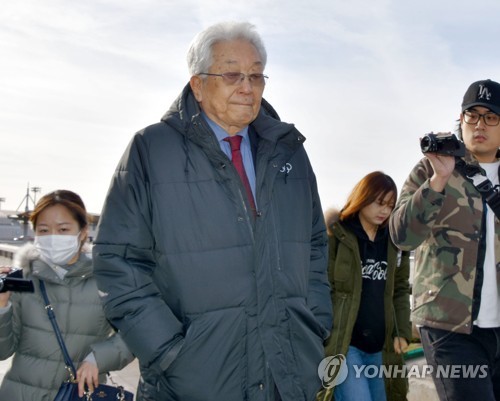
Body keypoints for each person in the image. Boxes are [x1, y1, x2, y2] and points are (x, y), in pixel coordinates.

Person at [92, 21, 332, 401]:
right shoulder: (151, 150)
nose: (247, 86)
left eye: (256, 76)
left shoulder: (289, 153)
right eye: (233, 74)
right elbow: (118, 262)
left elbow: (316, 246)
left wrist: (314, 325)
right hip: (193, 381)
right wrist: (170, 350)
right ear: (198, 84)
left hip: (286, 376)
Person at [389, 79, 500, 401]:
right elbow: (402, 236)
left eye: (491, 117)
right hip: (448, 325)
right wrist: (438, 181)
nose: (480, 125)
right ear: (461, 120)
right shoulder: (431, 168)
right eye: (472, 115)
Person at [0, 190, 134, 400]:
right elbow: (2, 351)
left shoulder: (106, 280)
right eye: (44, 230)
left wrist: (98, 358)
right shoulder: (22, 278)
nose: (53, 237)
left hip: (77, 394)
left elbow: (135, 331)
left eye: (63, 229)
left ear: (82, 233)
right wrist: (2, 306)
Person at [317, 171, 411, 401]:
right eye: (379, 203)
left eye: (390, 205)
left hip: (381, 346)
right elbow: (321, 286)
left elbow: (399, 290)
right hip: (345, 344)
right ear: (363, 197)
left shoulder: (394, 241)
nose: (385, 211)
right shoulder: (336, 235)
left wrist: (403, 332)